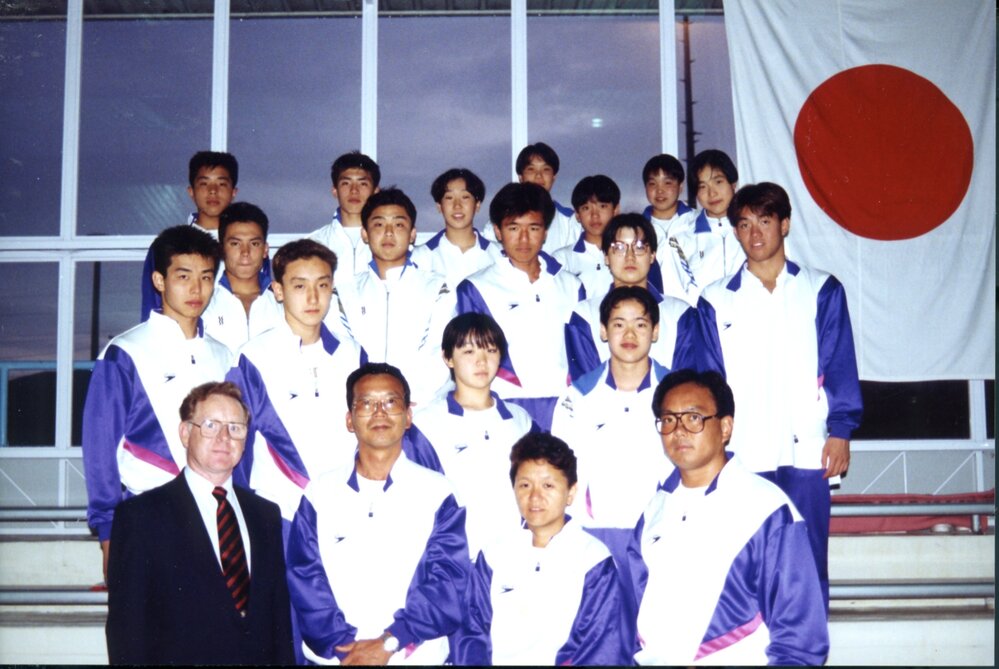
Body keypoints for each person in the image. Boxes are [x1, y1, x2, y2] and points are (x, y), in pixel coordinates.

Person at [673, 182, 862, 609]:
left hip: (808, 452)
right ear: (734, 232)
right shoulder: (715, 300)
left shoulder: (821, 289)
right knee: (742, 563)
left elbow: (839, 366)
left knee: (806, 562)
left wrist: (841, 430)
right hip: (741, 453)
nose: (754, 232)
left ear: (785, 224)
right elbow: (708, 384)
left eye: (764, 220)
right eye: (743, 223)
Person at [629, 369, 829, 665]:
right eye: (668, 419)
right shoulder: (654, 511)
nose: (679, 430)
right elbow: (637, 617)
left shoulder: (768, 509)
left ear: (725, 428)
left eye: (693, 418)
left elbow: (800, 639)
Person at [285, 363, 470, 665]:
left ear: (408, 416)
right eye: (367, 403)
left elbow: (448, 584)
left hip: (414, 658)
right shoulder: (319, 493)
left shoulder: (439, 493)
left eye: (391, 402)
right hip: (338, 660)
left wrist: (389, 642)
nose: (380, 412)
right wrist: (346, 649)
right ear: (349, 419)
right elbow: (305, 578)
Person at [105, 381, 294, 665]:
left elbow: (278, 623)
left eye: (235, 427)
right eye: (210, 425)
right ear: (185, 432)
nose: (223, 437)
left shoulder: (265, 516)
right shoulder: (140, 517)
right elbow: (127, 631)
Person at [83, 225, 231, 580]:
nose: (197, 289)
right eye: (184, 276)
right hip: (147, 519)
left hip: (217, 522)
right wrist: (108, 537)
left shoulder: (224, 356)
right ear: (159, 280)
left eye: (206, 277)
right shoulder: (125, 352)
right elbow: (100, 453)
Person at [454, 432, 633, 666]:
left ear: (570, 492)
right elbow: (471, 634)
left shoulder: (594, 560)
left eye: (548, 485)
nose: (535, 496)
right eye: (525, 485)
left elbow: (601, 647)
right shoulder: (493, 555)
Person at [225, 239, 366, 522]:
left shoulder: (352, 352)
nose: (313, 298)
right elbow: (239, 441)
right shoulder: (253, 357)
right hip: (277, 511)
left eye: (323, 285)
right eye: (300, 286)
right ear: (278, 290)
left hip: (343, 510)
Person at [553, 286, 672, 567]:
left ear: (655, 331)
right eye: (619, 324)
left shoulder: (677, 394)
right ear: (603, 331)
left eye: (640, 324)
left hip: (660, 535)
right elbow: (562, 473)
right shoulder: (577, 397)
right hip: (594, 538)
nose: (629, 335)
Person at [456, 182, 584, 431]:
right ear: (497, 231)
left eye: (533, 228)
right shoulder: (475, 288)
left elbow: (580, 354)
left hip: (563, 406)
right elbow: (471, 357)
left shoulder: (571, 285)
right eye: (513, 228)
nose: (524, 238)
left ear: (545, 231)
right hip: (504, 405)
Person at [408, 313, 537, 558]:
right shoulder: (426, 424)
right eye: (468, 352)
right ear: (448, 358)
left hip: (516, 559)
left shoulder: (521, 421)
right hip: (456, 562)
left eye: (490, 350)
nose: (481, 361)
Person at [335, 188, 455, 405]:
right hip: (363, 409)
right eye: (379, 224)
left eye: (399, 225)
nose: (388, 233)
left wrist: (404, 400)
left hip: (421, 407)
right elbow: (342, 355)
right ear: (364, 233)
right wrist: (368, 400)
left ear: (412, 234)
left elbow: (439, 352)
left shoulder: (438, 288)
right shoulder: (343, 292)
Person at [564, 213, 688, 382]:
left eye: (639, 247)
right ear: (606, 256)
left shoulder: (680, 312)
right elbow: (586, 383)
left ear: (652, 255)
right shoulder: (585, 314)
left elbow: (688, 381)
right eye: (619, 248)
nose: (630, 257)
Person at [140, 150, 239, 320]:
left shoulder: (247, 246)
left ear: (233, 193)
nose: (213, 191)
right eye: (204, 183)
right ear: (191, 191)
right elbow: (152, 305)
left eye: (222, 184)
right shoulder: (168, 245)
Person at [660, 149, 744, 304]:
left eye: (718, 182)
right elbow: (674, 297)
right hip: (703, 325)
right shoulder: (678, 240)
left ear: (733, 184)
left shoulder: (753, 231)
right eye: (702, 186)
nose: (712, 193)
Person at [200, 202, 283, 355]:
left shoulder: (285, 304)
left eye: (254, 243)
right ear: (221, 249)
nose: (245, 252)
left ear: (265, 250)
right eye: (235, 243)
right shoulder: (202, 304)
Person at [410, 168, 502, 287]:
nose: (457, 205)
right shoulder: (421, 257)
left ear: (477, 205)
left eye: (465, 197)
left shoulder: (499, 254)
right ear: (439, 206)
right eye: (449, 198)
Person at [308, 150, 381, 288]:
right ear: (335, 191)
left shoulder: (388, 242)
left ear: (375, 191)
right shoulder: (313, 244)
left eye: (363, 184)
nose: (354, 190)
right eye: (346, 183)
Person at [552, 174, 621, 298]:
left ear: (616, 210)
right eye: (586, 208)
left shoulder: (629, 254)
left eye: (602, 206)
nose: (595, 215)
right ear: (577, 215)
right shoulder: (562, 259)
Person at [641, 153, 695, 238]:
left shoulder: (696, 221)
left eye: (667, 183)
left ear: (680, 187)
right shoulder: (638, 227)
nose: (660, 190)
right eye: (652, 183)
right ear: (645, 187)